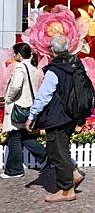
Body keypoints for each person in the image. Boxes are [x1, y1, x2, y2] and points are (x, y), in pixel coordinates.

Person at [25, 34, 86, 203]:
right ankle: (73, 174)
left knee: (56, 151)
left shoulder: (55, 69)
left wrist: (32, 116)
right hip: (72, 115)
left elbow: (44, 96)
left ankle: (66, 190)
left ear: (52, 50)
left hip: (58, 117)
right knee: (62, 148)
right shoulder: (76, 64)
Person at [1, 43, 47, 178]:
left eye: (14, 53)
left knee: (14, 137)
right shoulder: (33, 67)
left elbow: (16, 86)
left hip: (18, 107)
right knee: (25, 137)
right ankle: (47, 157)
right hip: (29, 107)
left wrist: (8, 98)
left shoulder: (21, 67)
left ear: (19, 55)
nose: (13, 56)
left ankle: (14, 170)